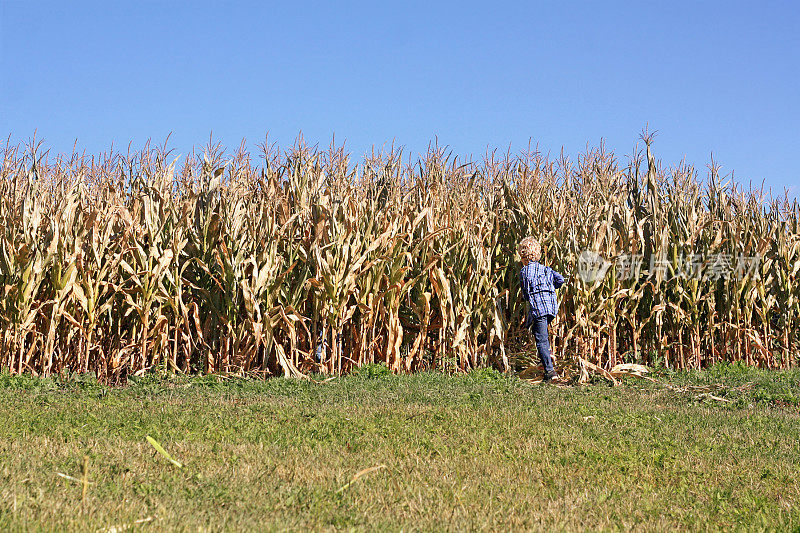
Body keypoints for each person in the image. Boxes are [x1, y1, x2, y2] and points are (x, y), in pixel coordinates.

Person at [518, 236, 566, 382]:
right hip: (551, 308)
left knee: (541, 339)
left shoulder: (525, 271)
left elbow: (526, 292)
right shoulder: (546, 269)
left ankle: (550, 372)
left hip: (538, 309)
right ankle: (545, 359)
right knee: (540, 335)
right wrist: (550, 288)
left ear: (523, 256)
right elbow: (561, 280)